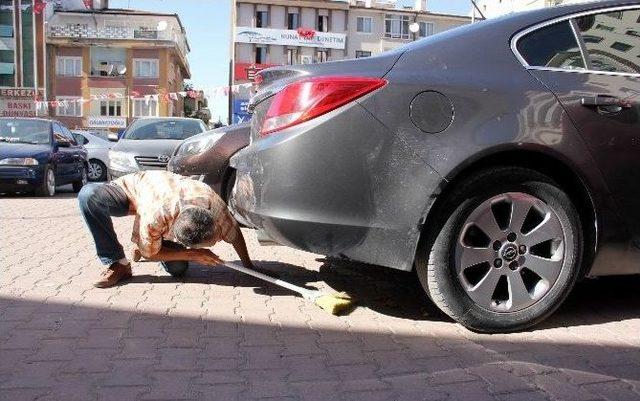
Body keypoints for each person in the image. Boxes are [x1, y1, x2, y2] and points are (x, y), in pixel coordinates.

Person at [78, 170, 253, 288]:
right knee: (89, 196)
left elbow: (234, 233)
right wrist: (192, 255)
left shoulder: (212, 204)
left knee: (178, 269)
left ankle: (144, 242)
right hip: (131, 189)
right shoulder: (156, 217)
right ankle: (119, 264)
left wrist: (249, 266)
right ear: (176, 237)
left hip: (166, 200)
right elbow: (150, 254)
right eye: (212, 242)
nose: (217, 241)